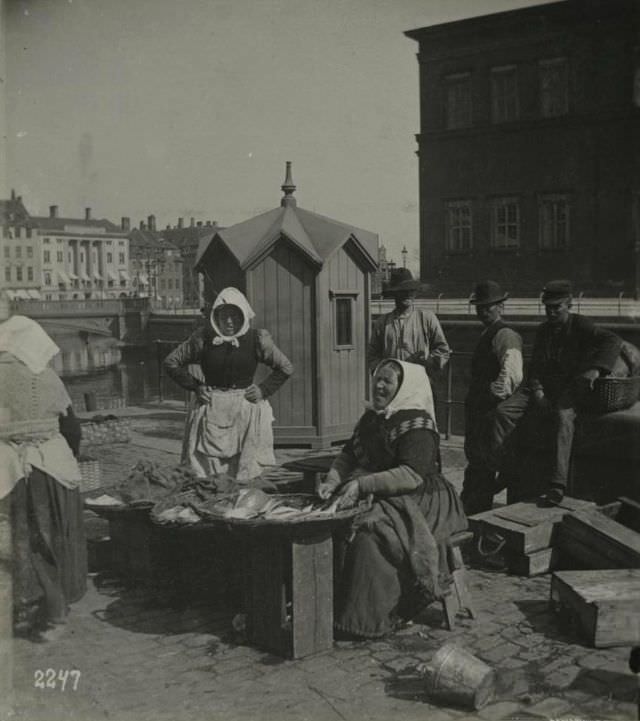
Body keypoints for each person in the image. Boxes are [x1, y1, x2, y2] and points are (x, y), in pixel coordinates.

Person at [317, 359, 467, 638]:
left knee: (370, 535)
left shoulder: (418, 424)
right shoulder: (373, 418)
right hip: (388, 493)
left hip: (425, 499)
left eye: (387, 381)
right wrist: (332, 480)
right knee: (333, 519)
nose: (379, 385)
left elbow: (411, 475)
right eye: (377, 378)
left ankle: (373, 618)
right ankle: (335, 604)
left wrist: (362, 484)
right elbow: (348, 455)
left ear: (404, 387)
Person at [498, 280, 623, 506]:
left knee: (563, 418)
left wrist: (595, 369)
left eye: (557, 307)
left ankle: (557, 485)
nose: (552, 312)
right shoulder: (543, 330)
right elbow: (535, 365)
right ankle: (506, 469)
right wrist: (537, 391)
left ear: (569, 304)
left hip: (570, 388)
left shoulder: (581, 325)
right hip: (543, 386)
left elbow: (613, 340)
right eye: (548, 308)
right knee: (504, 412)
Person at [0, 316, 87, 635]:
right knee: (50, 538)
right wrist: (70, 455)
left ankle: (19, 605)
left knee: (13, 538)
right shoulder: (47, 377)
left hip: (6, 468)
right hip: (48, 466)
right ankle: (55, 606)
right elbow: (72, 428)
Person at [164, 287, 293, 481]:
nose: (230, 322)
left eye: (235, 315)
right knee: (206, 471)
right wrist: (196, 386)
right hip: (210, 407)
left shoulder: (256, 339)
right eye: (224, 316)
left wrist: (263, 390)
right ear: (216, 317)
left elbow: (285, 367)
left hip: (244, 409)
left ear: (244, 315)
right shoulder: (202, 338)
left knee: (243, 471)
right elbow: (171, 362)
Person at [461, 281, 523, 516]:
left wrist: (491, 394)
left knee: (485, 466)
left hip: (488, 410)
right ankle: (472, 511)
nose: (482, 311)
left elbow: (512, 375)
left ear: (500, 307)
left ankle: (476, 514)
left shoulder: (505, 335)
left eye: (488, 306)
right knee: (477, 464)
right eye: (479, 306)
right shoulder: (488, 333)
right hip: (478, 412)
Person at [367, 268, 450, 378]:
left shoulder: (426, 318)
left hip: (419, 382)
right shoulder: (382, 323)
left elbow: (443, 350)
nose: (408, 294)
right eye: (403, 291)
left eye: (411, 290)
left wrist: (429, 361)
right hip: (393, 383)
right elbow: (372, 356)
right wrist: (384, 371)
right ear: (394, 293)